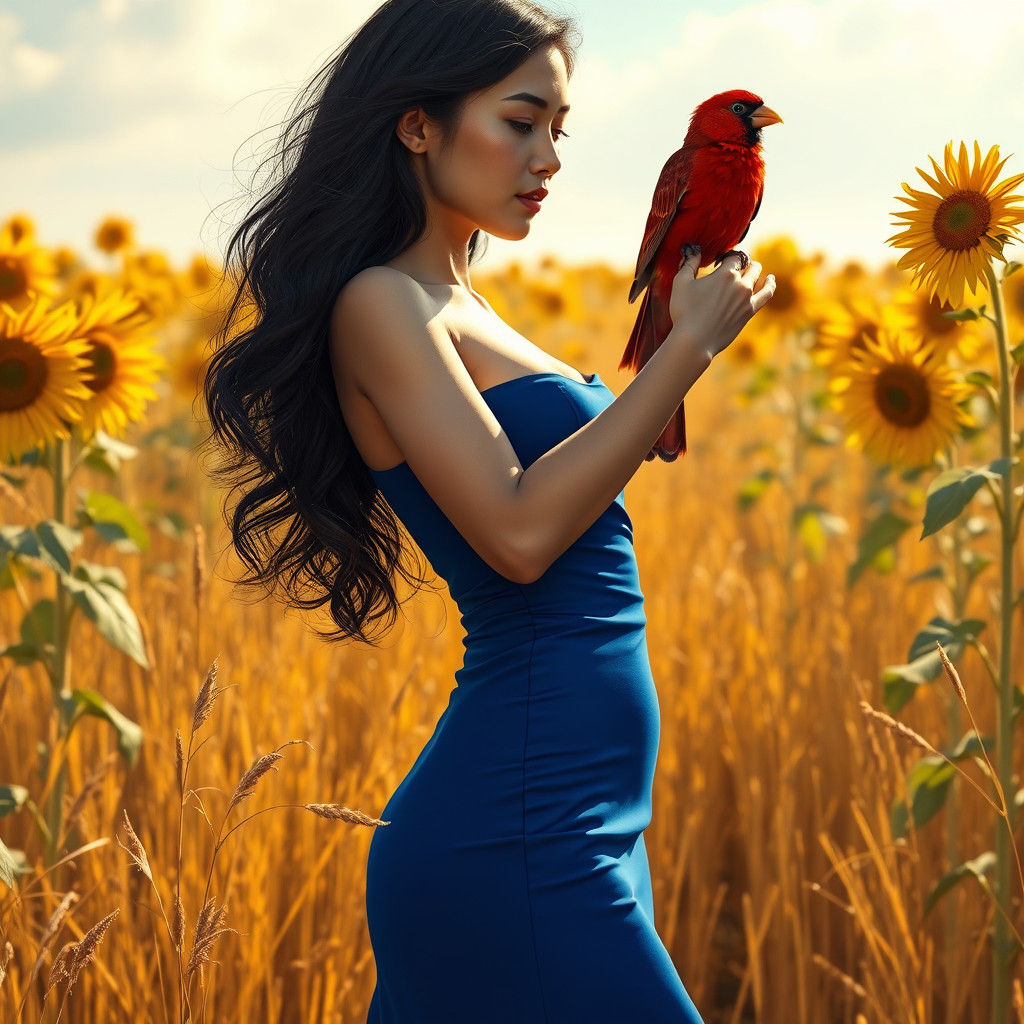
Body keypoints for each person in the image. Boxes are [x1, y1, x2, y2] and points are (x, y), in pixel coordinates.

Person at [203, 1, 775, 1021]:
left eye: (560, 129)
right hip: (515, 825)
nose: (547, 157)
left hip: (586, 818)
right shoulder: (380, 302)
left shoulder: (460, 301)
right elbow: (516, 535)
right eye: (520, 122)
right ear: (416, 124)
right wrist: (683, 348)